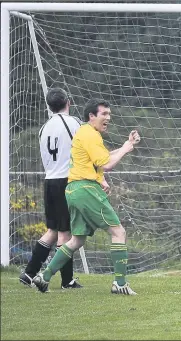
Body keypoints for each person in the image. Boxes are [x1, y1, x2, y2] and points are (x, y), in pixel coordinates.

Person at [33, 99, 141, 295]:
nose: (108, 118)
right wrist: (125, 149)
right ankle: (120, 283)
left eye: (109, 114)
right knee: (119, 233)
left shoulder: (85, 133)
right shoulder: (90, 134)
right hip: (86, 189)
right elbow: (107, 164)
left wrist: (126, 145)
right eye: (104, 114)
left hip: (74, 190)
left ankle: (44, 276)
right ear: (92, 116)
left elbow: (102, 159)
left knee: (76, 240)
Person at [19, 88, 83, 289]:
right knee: (65, 234)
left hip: (49, 181)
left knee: (52, 231)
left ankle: (29, 273)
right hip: (65, 181)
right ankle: (67, 281)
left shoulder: (43, 127)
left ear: (49, 106)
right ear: (68, 102)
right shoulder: (73, 123)